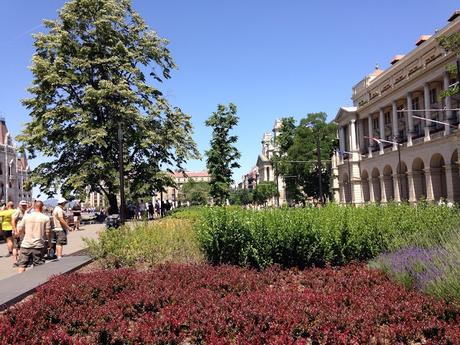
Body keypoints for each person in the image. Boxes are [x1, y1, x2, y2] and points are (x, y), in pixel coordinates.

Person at [17, 200, 51, 273]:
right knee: (38, 266)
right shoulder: (45, 218)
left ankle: (19, 281)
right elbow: (48, 232)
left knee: (22, 265)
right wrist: (49, 242)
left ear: (34, 207)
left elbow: (19, 229)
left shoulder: (26, 216)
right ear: (42, 207)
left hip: (26, 244)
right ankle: (36, 282)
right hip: (38, 245)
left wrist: (22, 235)